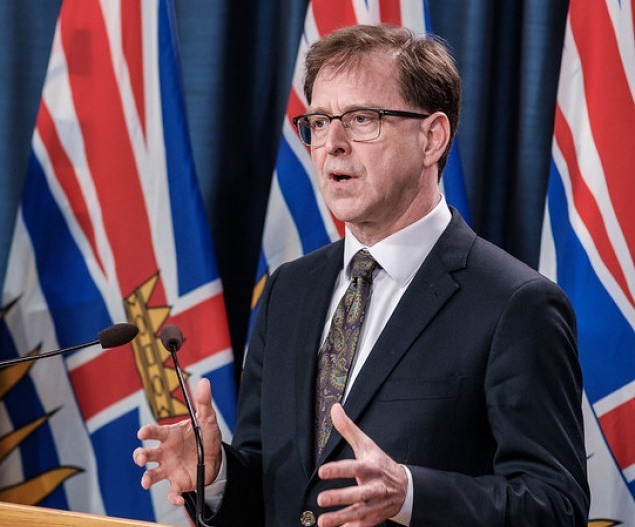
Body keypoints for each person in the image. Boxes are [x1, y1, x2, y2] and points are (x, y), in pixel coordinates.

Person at [134, 24, 588, 526]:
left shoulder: (515, 304)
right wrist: (216, 476)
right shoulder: (289, 290)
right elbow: (280, 490)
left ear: (432, 137)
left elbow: (557, 507)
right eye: (321, 121)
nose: (333, 143)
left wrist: (410, 495)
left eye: (361, 119)